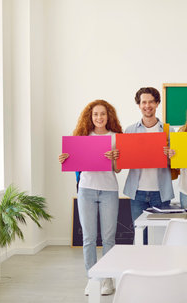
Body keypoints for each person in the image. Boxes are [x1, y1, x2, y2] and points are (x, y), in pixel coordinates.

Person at [58, 99, 122, 296]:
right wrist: (65, 159)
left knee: (109, 238)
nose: (99, 117)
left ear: (108, 116)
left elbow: (118, 170)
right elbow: (74, 164)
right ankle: (93, 278)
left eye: (103, 114)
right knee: (89, 238)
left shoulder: (115, 137)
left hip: (109, 190)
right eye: (95, 114)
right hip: (86, 190)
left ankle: (107, 279)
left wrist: (115, 159)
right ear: (90, 116)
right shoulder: (82, 137)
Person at [123, 87, 174, 243]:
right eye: (144, 102)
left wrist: (170, 156)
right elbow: (125, 161)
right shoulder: (130, 130)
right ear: (139, 105)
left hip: (161, 192)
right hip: (137, 192)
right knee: (140, 235)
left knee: (161, 235)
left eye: (151, 101)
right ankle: (141, 265)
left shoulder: (168, 130)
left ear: (157, 103)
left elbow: (175, 165)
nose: (147, 105)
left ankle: (160, 266)